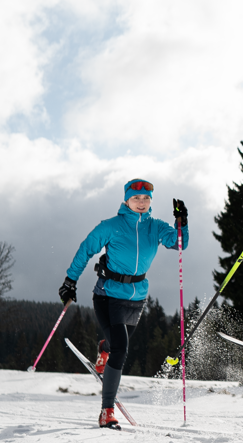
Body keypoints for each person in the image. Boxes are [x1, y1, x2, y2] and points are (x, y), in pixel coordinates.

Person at [58, 179, 189, 429]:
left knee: (116, 342)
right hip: (109, 296)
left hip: (137, 299)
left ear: (151, 201)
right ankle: (106, 410)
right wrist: (70, 281)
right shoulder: (111, 226)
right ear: (126, 200)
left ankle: (103, 348)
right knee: (122, 348)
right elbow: (86, 249)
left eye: (146, 199)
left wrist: (182, 221)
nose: (141, 203)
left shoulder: (156, 227)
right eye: (136, 198)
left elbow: (180, 243)